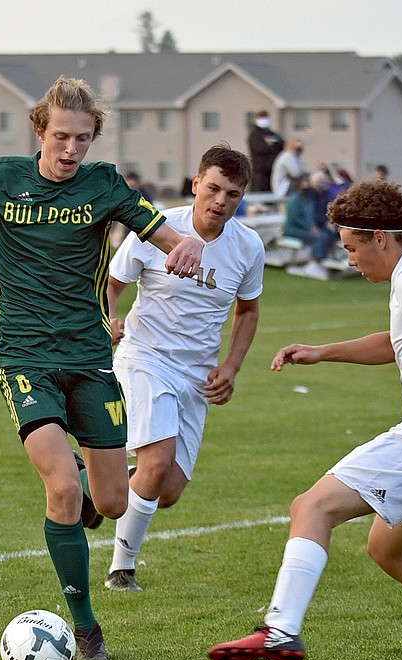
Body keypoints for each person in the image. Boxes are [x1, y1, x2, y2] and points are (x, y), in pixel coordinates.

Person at [0, 75, 205, 660]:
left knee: (108, 503)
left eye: (82, 138)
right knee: (60, 486)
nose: (71, 149)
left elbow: (164, 229)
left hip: (88, 356)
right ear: (40, 131)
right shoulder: (0, 178)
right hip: (24, 354)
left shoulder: (105, 185)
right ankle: (86, 627)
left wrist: (188, 244)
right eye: (61, 136)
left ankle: (85, 476)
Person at [208, 178, 402, 660]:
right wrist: (321, 352)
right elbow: (399, 342)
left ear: (380, 237)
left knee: (311, 506)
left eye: (353, 248)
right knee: (387, 548)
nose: (350, 259)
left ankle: (280, 631)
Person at [104, 144, 263, 591]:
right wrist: (106, 321)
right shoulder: (155, 229)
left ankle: (93, 482)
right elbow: (111, 286)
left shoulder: (248, 246)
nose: (220, 201)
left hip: (197, 374)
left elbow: (248, 311)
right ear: (195, 184)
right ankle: (122, 569)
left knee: (168, 489)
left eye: (233, 195)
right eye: (212, 189)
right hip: (144, 357)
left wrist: (231, 365)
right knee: (156, 464)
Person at [284, 173, 340, 281]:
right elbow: (295, 219)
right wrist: (310, 227)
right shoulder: (294, 200)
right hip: (293, 229)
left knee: (327, 234)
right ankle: (313, 263)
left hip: (307, 228)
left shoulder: (308, 200)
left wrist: (314, 226)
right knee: (319, 237)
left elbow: (310, 216)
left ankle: (323, 260)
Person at [247, 110, 285, 194]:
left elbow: (282, 145)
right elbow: (260, 148)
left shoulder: (272, 134)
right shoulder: (254, 135)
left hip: (272, 171)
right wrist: (272, 146)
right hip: (259, 173)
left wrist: (271, 145)